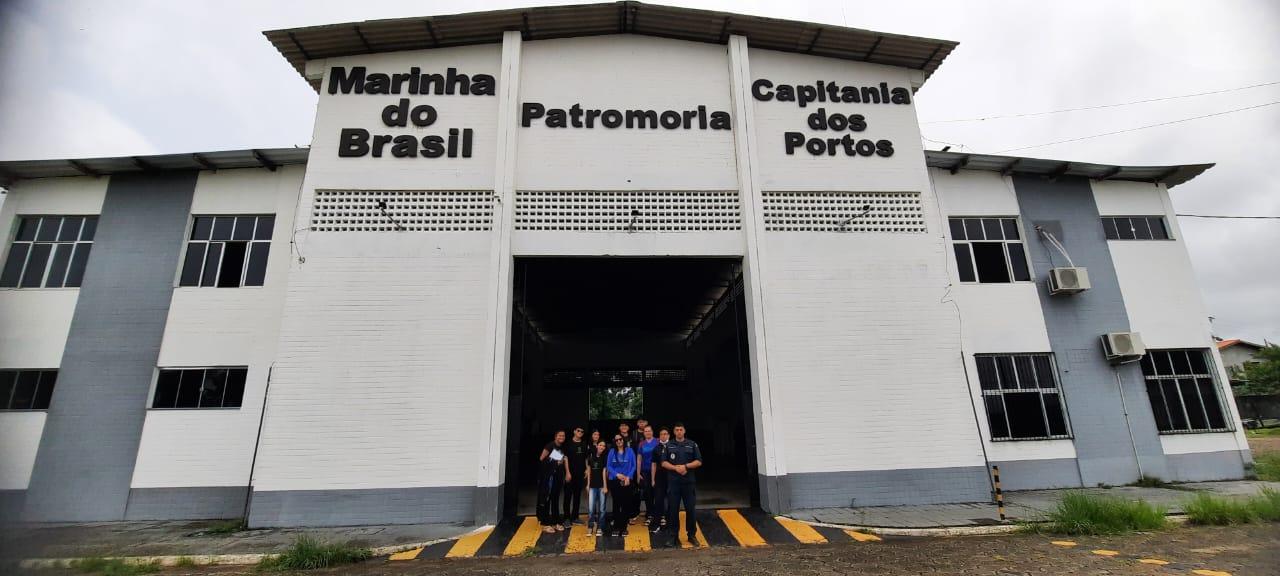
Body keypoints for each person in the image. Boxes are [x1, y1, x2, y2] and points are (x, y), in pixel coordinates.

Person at [662, 422, 702, 547]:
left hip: (688, 483)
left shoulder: (692, 444)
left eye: (681, 429)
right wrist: (675, 468)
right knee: (673, 510)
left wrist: (685, 466)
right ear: (674, 432)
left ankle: (691, 535)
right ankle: (673, 537)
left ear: (684, 431)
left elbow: (699, 461)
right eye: (677, 430)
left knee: (690, 510)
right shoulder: (668, 445)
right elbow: (663, 462)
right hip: (674, 483)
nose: (679, 431)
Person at [536, 430, 570, 533]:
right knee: (547, 498)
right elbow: (541, 459)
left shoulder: (562, 447)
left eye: (563, 435)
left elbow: (564, 459)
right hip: (548, 477)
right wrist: (554, 461)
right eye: (560, 435)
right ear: (555, 436)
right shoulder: (550, 446)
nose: (562, 437)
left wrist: (567, 472)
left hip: (558, 477)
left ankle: (556, 522)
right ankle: (545, 523)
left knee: (555, 499)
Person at [605, 433, 637, 537]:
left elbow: (633, 465)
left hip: (627, 480)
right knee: (616, 504)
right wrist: (617, 474)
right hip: (615, 480)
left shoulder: (630, 451)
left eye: (620, 439)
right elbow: (608, 466)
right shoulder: (611, 452)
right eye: (617, 440)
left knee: (626, 504)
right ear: (614, 442)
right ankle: (616, 527)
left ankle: (624, 527)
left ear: (623, 440)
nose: (619, 441)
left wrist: (628, 477)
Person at [563, 427, 589, 525]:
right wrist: (567, 472)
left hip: (580, 474)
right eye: (578, 431)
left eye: (582, 431)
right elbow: (565, 458)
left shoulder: (584, 444)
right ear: (574, 431)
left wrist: (586, 469)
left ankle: (575, 517)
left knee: (577, 496)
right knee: (567, 495)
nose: (580, 433)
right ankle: (566, 518)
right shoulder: (568, 444)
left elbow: (586, 458)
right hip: (570, 474)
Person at [636, 425, 660, 524]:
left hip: (658, 471)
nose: (647, 433)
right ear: (643, 433)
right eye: (646, 431)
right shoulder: (641, 443)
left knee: (658, 493)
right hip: (645, 471)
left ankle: (659, 514)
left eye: (649, 431)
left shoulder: (658, 441)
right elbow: (639, 459)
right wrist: (638, 473)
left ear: (652, 432)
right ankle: (649, 514)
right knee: (648, 493)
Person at [649, 427, 670, 533]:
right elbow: (653, 465)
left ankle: (671, 524)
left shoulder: (673, 446)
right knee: (658, 501)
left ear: (669, 435)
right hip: (659, 477)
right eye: (662, 434)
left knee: (672, 502)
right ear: (659, 436)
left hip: (671, 478)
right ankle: (656, 524)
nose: (664, 436)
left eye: (666, 434)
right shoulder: (656, 448)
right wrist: (653, 479)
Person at [586, 439, 608, 536]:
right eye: (600, 445)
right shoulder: (591, 457)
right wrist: (588, 484)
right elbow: (589, 471)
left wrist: (605, 486)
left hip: (601, 486)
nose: (602, 447)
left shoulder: (604, 458)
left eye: (603, 446)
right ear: (597, 446)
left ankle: (600, 527)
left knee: (602, 509)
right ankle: (590, 527)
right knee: (591, 508)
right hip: (592, 486)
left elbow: (604, 473)